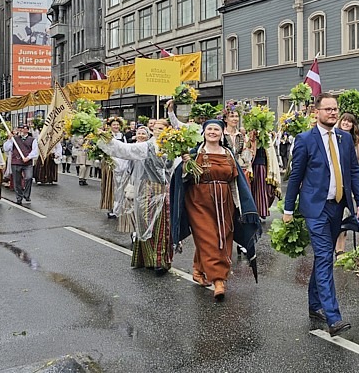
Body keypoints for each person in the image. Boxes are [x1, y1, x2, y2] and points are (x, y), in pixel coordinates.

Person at [284, 93, 359, 336]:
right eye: (327, 109)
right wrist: (289, 209)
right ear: (316, 111)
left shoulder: (344, 139)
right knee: (322, 256)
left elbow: (353, 172)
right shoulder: (305, 139)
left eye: (335, 109)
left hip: (337, 206)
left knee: (325, 256)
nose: (332, 112)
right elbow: (295, 176)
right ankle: (333, 316)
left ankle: (314, 305)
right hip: (315, 207)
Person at [172, 119, 262, 300]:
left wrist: (242, 206)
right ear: (204, 132)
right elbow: (181, 177)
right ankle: (219, 279)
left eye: (216, 129)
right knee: (209, 237)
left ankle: (199, 268)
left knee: (223, 236)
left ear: (222, 133)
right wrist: (185, 165)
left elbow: (236, 181)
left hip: (224, 202)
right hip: (199, 202)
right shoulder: (193, 153)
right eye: (209, 129)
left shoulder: (228, 153)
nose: (212, 132)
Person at [99, 119, 174, 275]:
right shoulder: (147, 146)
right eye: (156, 128)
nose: (158, 131)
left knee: (163, 225)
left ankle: (160, 261)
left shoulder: (175, 147)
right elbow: (124, 149)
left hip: (166, 190)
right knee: (146, 223)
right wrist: (104, 139)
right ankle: (147, 259)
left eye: (162, 128)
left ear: (169, 129)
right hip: (148, 189)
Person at [334, 112, 359, 256]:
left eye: (350, 121)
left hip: (349, 183)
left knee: (346, 215)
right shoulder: (333, 137)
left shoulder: (355, 142)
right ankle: (337, 249)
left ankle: (340, 250)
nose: (346, 123)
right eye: (344, 120)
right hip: (336, 182)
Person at [4, 125, 39, 205]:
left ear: (27, 130)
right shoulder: (14, 139)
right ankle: (19, 197)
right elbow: (6, 148)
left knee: (29, 178)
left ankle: (26, 195)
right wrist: (9, 139)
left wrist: (28, 157)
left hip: (27, 162)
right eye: (20, 129)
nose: (22, 130)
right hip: (16, 162)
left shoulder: (32, 140)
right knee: (17, 180)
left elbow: (35, 151)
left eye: (24, 129)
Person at [101, 117, 127, 217]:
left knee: (121, 187)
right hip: (110, 163)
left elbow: (125, 149)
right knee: (111, 186)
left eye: (117, 125)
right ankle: (111, 207)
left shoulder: (122, 136)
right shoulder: (107, 136)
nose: (116, 126)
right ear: (110, 126)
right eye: (114, 125)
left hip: (122, 163)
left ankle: (119, 208)